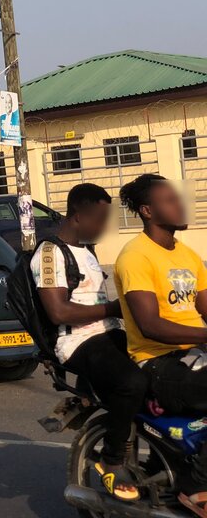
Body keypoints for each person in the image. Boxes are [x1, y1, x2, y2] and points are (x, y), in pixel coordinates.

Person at [31, 182, 147, 503]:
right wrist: (114, 308)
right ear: (78, 216)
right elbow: (57, 311)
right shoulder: (51, 253)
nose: (103, 226)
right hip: (78, 342)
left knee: (166, 371)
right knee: (132, 382)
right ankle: (112, 459)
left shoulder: (87, 250)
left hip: (107, 334)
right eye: (99, 218)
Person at [114, 173, 207, 516]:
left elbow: (205, 307)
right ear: (148, 211)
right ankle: (197, 487)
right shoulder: (135, 256)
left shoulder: (188, 254)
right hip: (158, 361)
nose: (180, 204)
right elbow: (150, 325)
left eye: (178, 197)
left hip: (192, 354)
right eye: (170, 200)